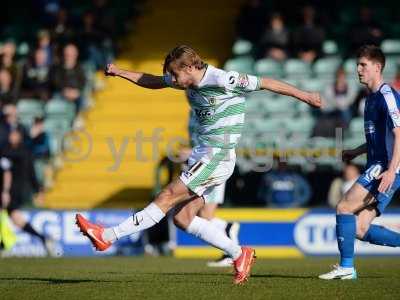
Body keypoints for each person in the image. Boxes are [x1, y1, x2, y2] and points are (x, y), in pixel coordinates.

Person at [75, 45, 321, 284]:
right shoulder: (185, 79)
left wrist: (306, 95)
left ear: (191, 67)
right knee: (182, 218)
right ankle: (239, 254)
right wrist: (120, 72)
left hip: (217, 155)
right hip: (203, 154)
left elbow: (266, 82)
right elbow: (152, 80)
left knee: (167, 195)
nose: (171, 78)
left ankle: (107, 236)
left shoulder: (224, 79)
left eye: (174, 73)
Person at [319, 45, 400, 280]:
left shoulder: (387, 96)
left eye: (363, 65)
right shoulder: (370, 100)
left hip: (386, 167)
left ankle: (347, 268)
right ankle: (347, 267)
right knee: (360, 228)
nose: (358, 69)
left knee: (344, 207)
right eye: (358, 64)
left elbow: (399, 134)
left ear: (377, 67)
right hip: (380, 164)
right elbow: (379, 138)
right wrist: (357, 151)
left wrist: (391, 171)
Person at [186, 107, 240, 267]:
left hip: (213, 164)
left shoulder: (212, 109)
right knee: (203, 214)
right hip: (200, 164)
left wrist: (190, 152)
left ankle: (229, 240)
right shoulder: (195, 110)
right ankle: (229, 244)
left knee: (206, 214)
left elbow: (217, 139)